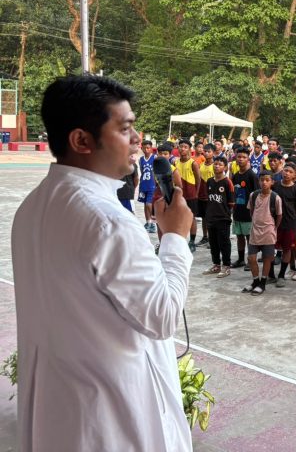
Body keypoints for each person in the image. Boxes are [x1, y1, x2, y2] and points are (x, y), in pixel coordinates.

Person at [11, 75, 194, 450]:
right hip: (113, 420)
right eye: (125, 128)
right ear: (81, 140)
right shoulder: (108, 221)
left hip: (60, 409)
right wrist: (175, 238)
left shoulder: (32, 207)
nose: (137, 140)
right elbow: (161, 316)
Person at [243, 171, 282, 295]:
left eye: (267, 180)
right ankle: (255, 281)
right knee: (251, 258)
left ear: (272, 182)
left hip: (268, 232)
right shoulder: (253, 195)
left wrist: (274, 227)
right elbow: (251, 211)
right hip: (255, 232)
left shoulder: (275, 197)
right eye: (261, 180)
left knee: (267, 258)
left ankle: (263, 282)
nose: (264, 182)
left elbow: (279, 215)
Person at [273, 162, 296, 285]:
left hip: (290, 224)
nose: (287, 173)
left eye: (290, 172)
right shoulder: (275, 186)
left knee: (287, 249)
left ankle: (281, 275)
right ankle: (270, 274)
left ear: (295, 175)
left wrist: (291, 215)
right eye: (285, 170)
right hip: (275, 223)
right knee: (272, 248)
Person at [202, 155, 235, 277]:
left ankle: (226, 266)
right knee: (213, 243)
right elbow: (209, 199)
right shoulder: (210, 181)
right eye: (215, 164)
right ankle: (216, 264)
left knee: (224, 243)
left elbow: (231, 203)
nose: (217, 166)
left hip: (223, 218)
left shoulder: (227, 182)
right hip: (211, 217)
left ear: (225, 167)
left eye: (220, 164)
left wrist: (225, 214)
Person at [231, 147, 259, 269]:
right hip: (237, 210)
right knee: (239, 236)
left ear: (248, 159)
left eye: (244, 157)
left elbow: (257, 194)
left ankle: (251, 260)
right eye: (239, 157)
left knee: (249, 237)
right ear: (236, 159)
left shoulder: (252, 175)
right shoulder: (236, 175)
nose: (241, 159)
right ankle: (241, 259)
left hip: (249, 212)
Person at [176, 138, 201, 252]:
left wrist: (196, 193)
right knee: (179, 217)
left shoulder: (193, 163)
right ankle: (180, 239)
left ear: (189, 149)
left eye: (185, 147)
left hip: (190, 194)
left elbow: (198, 179)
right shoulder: (175, 162)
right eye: (181, 146)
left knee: (191, 218)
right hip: (179, 194)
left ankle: (192, 241)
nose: (182, 149)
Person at [137, 139, 157, 232]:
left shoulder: (155, 158)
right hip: (143, 184)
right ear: (142, 148)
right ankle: (148, 222)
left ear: (151, 148)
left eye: (148, 148)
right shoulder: (141, 159)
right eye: (144, 148)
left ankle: (153, 223)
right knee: (145, 204)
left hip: (152, 184)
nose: (146, 150)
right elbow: (141, 171)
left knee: (150, 204)